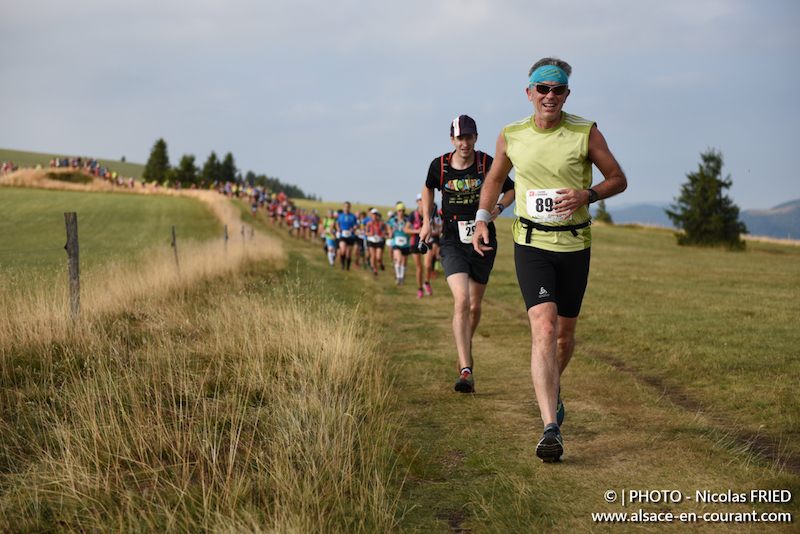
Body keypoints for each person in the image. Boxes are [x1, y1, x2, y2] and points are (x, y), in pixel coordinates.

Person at [471, 58, 627, 462]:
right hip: (531, 243)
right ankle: (549, 428)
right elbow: (493, 180)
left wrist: (587, 195)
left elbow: (617, 178)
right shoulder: (512, 135)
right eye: (542, 88)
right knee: (543, 326)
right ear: (529, 93)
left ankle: (552, 392)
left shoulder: (585, 132)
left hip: (575, 244)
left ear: (567, 95)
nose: (550, 96)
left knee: (564, 335)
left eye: (558, 89)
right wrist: (483, 219)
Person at [419, 115, 515, 393]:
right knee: (461, 301)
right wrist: (426, 221)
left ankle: (463, 351)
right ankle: (466, 367)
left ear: (475, 138)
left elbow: (510, 190)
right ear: (452, 139)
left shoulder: (487, 163)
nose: (465, 142)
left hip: (483, 238)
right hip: (451, 239)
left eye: (469, 137)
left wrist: (497, 209)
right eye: (460, 138)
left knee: (474, 306)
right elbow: (427, 189)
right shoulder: (439, 166)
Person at [404, 194, 428, 298]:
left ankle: (426, 282)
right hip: (415, 242)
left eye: (423, 200)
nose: (421, 202)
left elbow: (437, 226)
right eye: (420, 200)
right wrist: (416, 230)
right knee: (419, 268)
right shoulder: (413, 215)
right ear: (417, 202)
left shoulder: (429, 213)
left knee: (428, 265)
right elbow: (406, 229)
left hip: (427, 241)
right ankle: (420, 288)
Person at [388, 203, 411, 285]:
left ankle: (402, 277)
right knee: (399, 259)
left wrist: (409, 235)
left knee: (404, 262)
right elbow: (388, 225)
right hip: (396, 242)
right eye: (399, 210)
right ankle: (398, 277)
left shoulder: (407, 220)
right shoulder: (393, 220)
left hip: (405, 242)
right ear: (397, 211)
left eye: (402, 210)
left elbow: (410, 229)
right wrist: (390, 232)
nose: (401, 212)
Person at [335, 201, 358, 270]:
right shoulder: (340, 215)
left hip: (350, 236)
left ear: (349, 207)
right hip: (342, 235)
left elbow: (356, 225)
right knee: (343, 251)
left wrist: (353, 229)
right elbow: (337, 223)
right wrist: (338, 228)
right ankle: (342, 264)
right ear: (343, 207)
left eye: (348, 206)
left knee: (348, 254)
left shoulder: (353, 216)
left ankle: (347, 267)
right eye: (345, 206)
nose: (346, 208)